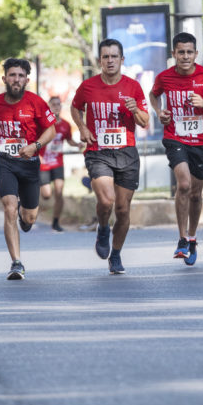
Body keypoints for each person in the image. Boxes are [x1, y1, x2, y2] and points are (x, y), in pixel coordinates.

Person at [149, 32, 203, 266]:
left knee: (195, 194)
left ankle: (193, 237)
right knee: (183, 184)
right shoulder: (164, 77)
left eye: (189, 52)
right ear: (173, 54)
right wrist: (159, 112)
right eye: (180, 52)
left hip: (202, 142)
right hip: (175, 138)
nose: (185, 56)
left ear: (196, 54)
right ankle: (182, 238)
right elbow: (154, 95)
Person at [71, 38, 150, 274]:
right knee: (106, 200)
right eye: (105, 57)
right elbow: (75, 107)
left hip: (126, 152)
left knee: (124, 209)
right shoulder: (88, 86)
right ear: (99, 61)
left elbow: (145, 122)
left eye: (114, 56)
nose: (110, 61)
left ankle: (116, 254)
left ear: (122, 59)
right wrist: (83, 128)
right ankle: (103, 227)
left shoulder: (133, 87)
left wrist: (135, 109)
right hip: (98, 152)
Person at [0, 57, 57, 280]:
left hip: (30, 165)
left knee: (30, 218)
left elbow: (51, 130)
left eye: (21, 76)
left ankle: (26, 218)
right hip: (6, 162)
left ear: (27, 80)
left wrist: (36, 146)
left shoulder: (36, 102)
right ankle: (16, 262)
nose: (16, 79)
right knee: (9, 208)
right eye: (12, 75)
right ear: (4, 78)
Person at [38, 96, 85, 232]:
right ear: (48, 107)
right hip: (44, 164)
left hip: (58, 162)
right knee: (46, 195)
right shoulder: (43, 124)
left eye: (58, 104)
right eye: (53, 104)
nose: (56, 107)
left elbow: (69, 140)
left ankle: (56, 222)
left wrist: (77, 144)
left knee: (59, 192)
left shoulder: (65, 125)